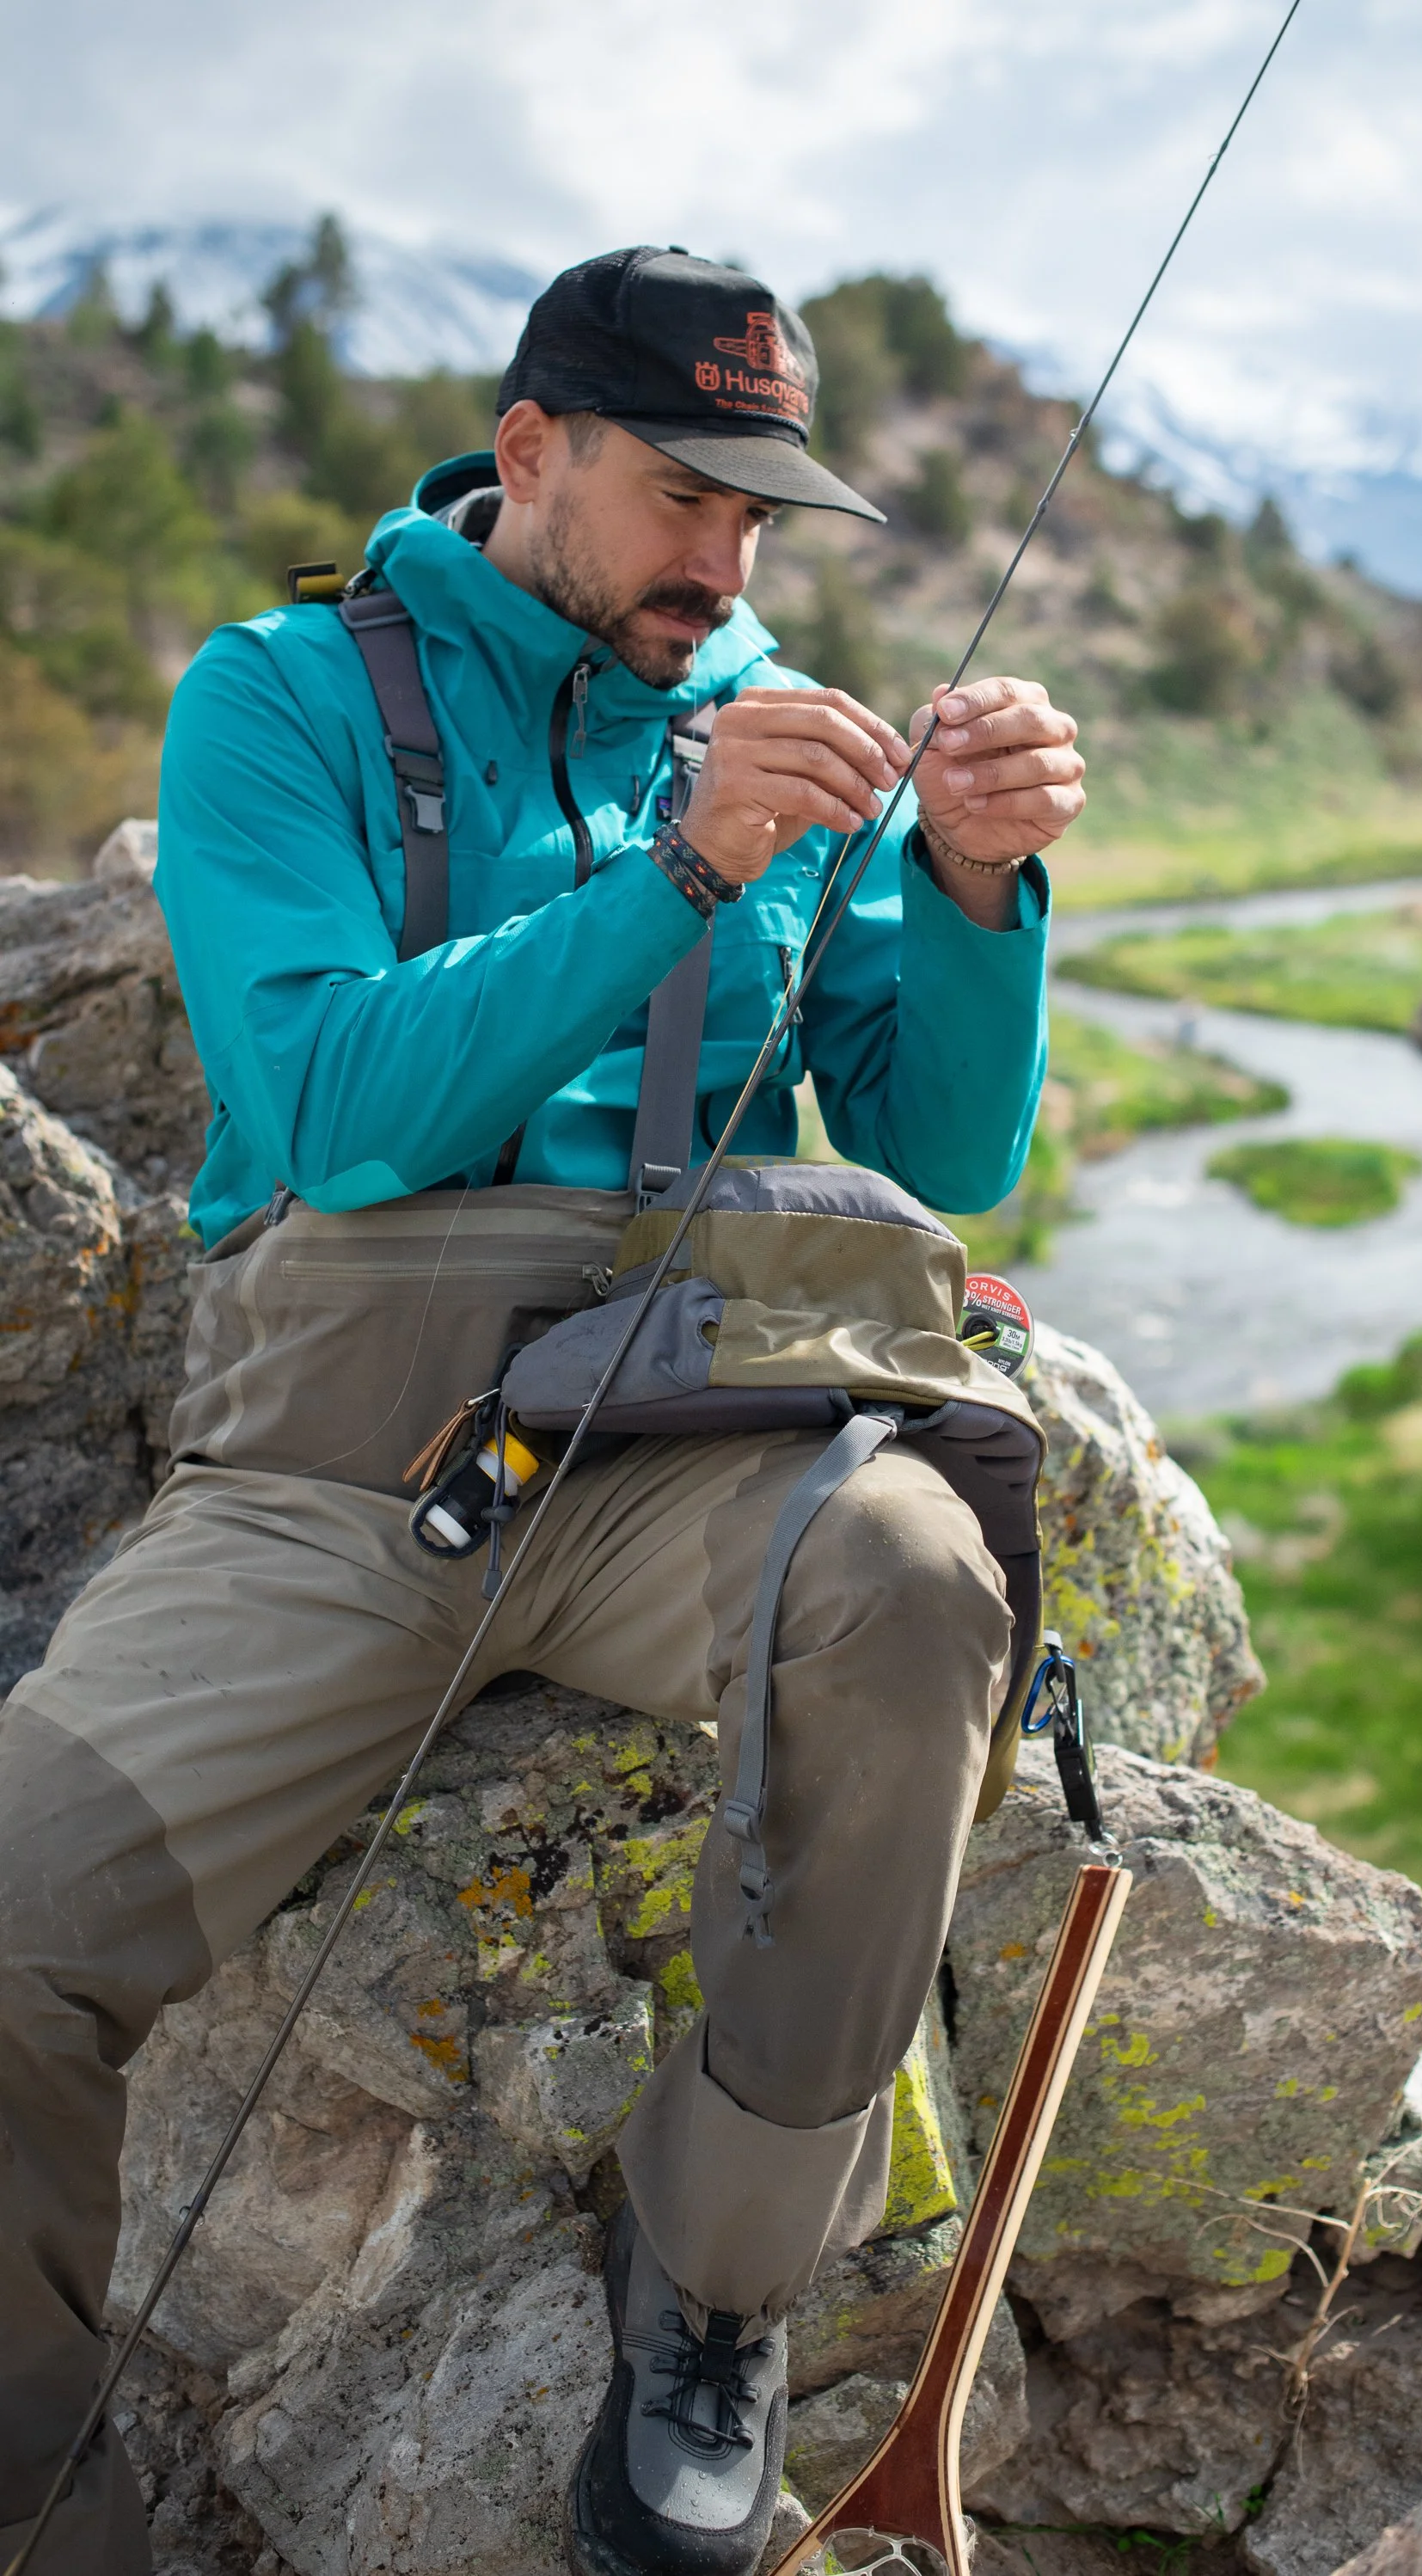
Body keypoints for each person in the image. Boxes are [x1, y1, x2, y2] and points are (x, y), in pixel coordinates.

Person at [0, 245, 1083, 2576]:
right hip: (326, 1463)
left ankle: (711, 2297)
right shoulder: (277, 698)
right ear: (531, 456)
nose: (727, 562)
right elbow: (329, 1104)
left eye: (761, 522)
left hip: (691, 1431)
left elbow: (945, 1144)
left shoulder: (788, 713)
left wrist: (983, 889)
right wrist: (682, 873)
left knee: (913, 1589)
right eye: (686, 499)